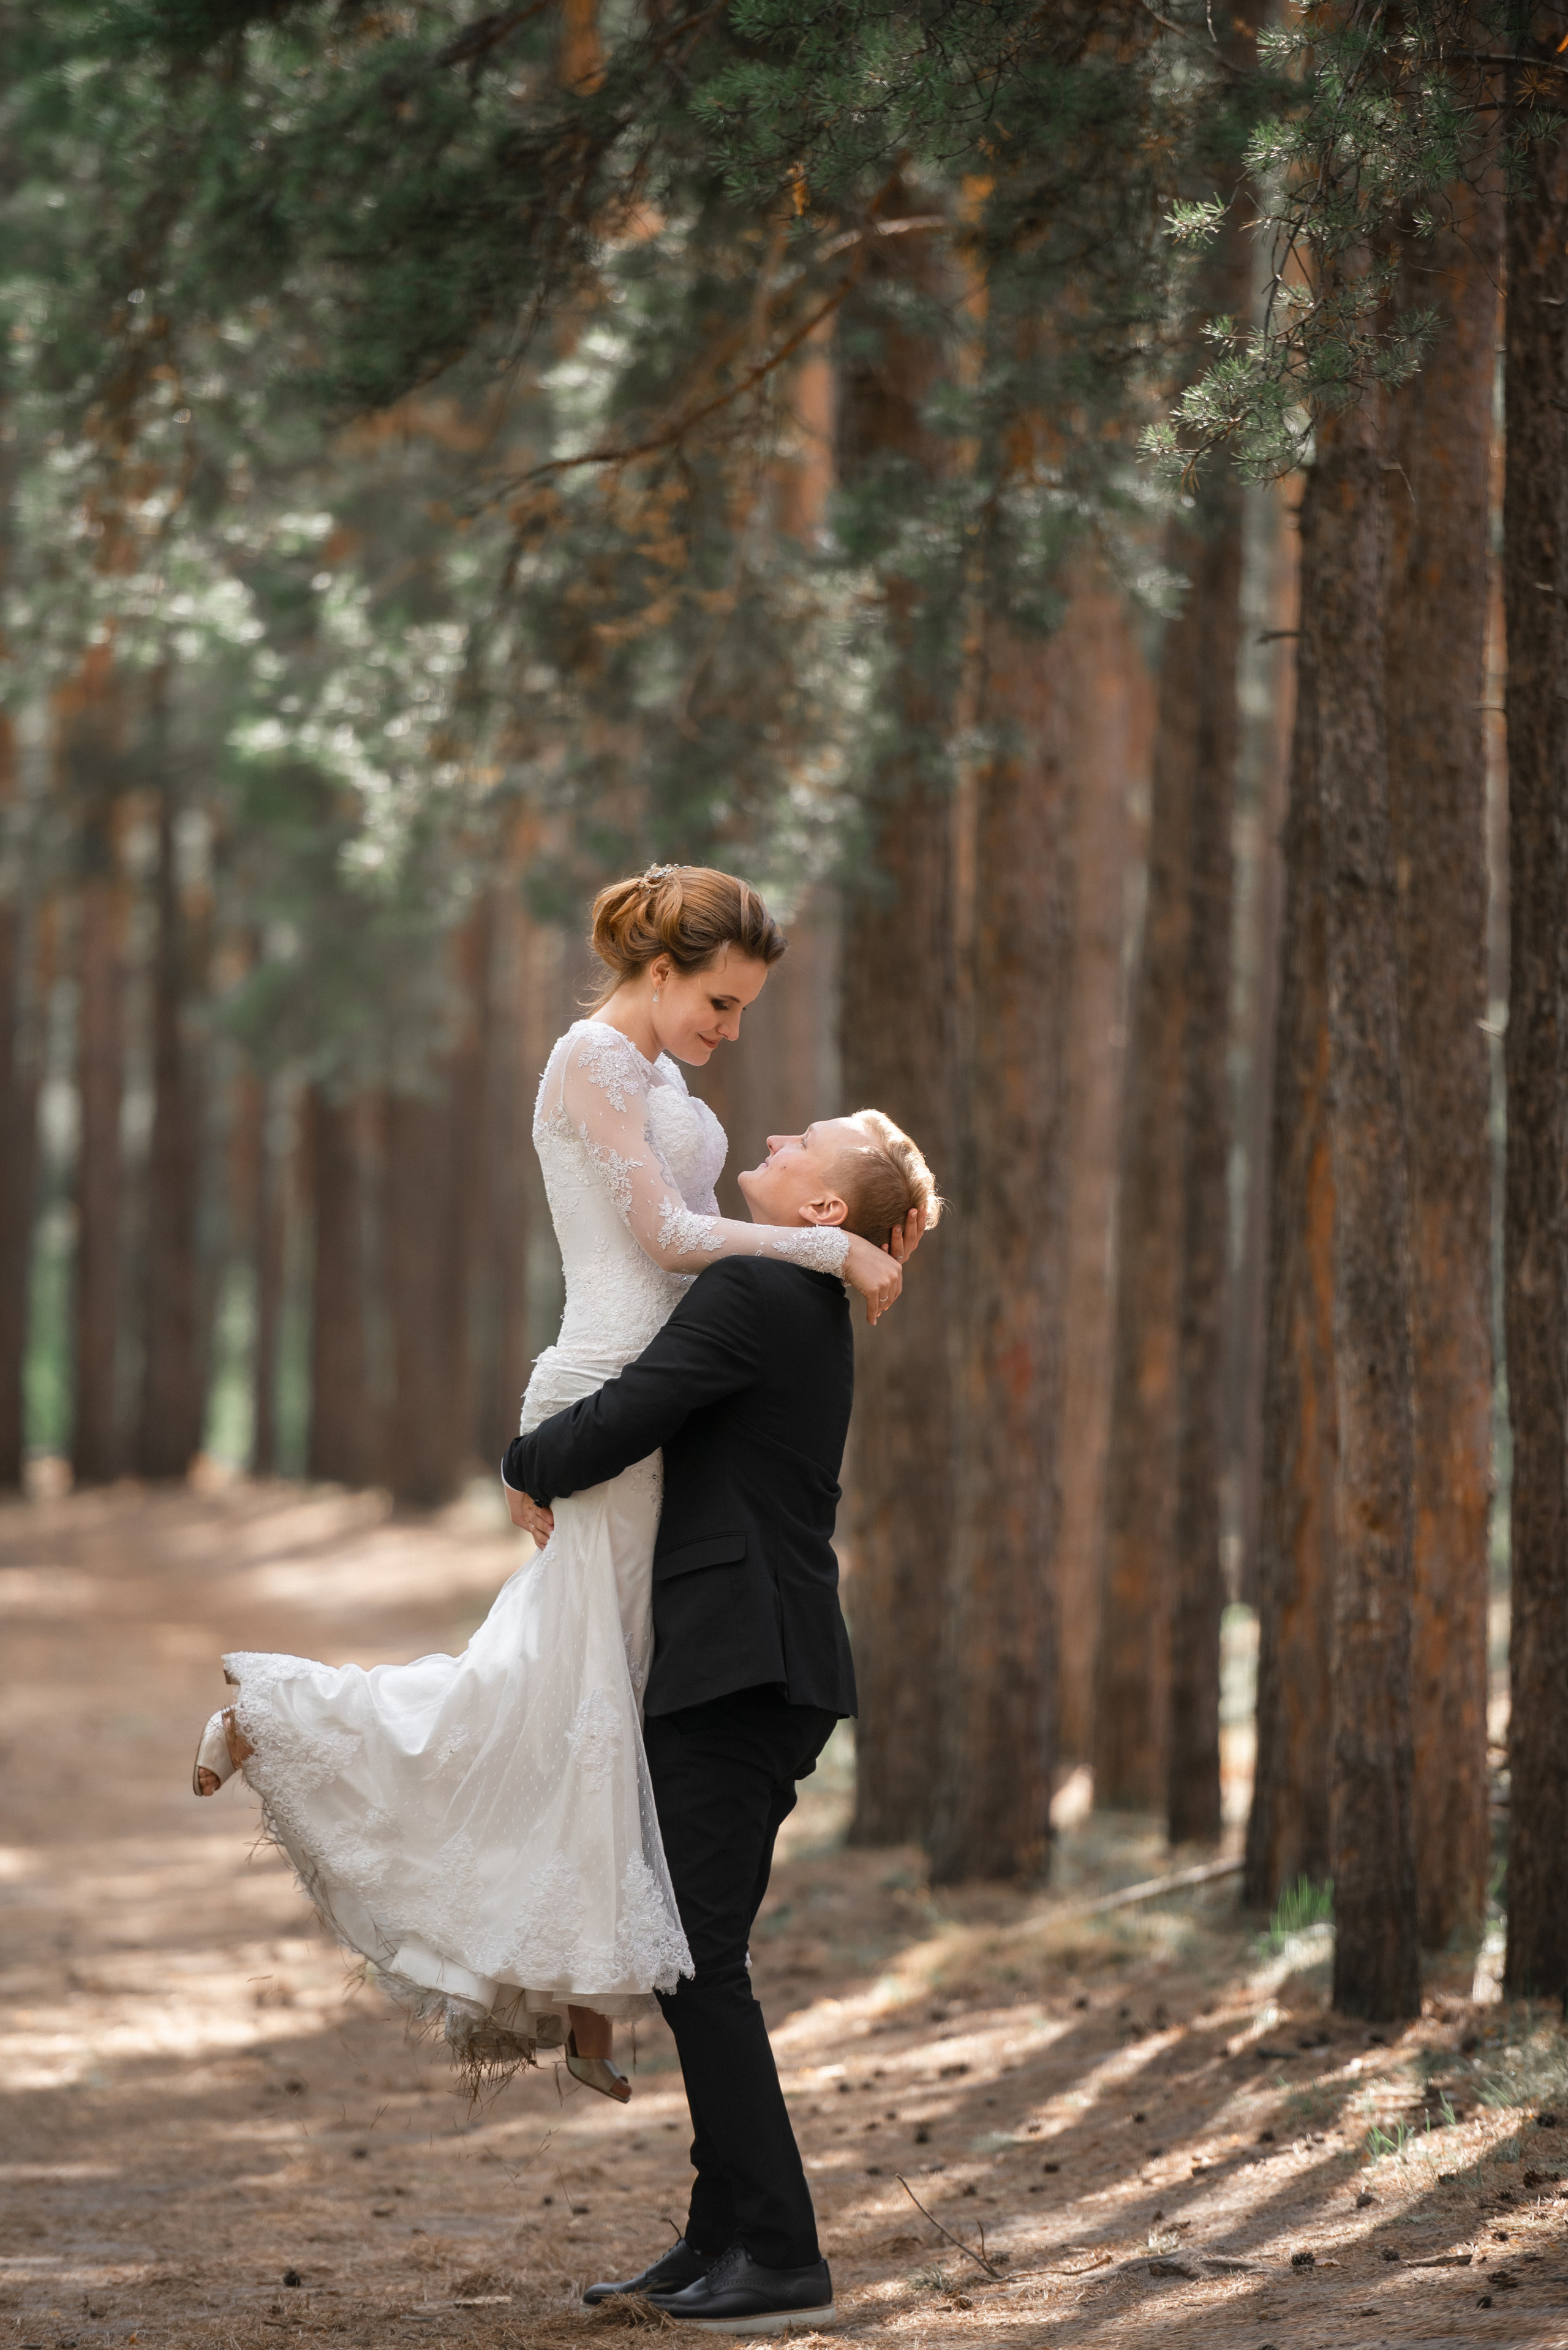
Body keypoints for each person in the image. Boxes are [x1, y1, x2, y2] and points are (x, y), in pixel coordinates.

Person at [188, 865, 914, 2098]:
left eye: (741, 1011)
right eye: (720, 1003)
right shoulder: (590, 1058)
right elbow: (667, 1243)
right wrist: (824, 1244)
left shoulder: (664, 1080)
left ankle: (569, 1981)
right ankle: (288, 1719)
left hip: (665, 1390)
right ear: (660, 970)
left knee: (603, 1686)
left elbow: (696, 1257)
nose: (729, 1033)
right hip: (603, 1391)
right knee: (560, 1679)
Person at [503, 1108, 943, 2334]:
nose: (782, 1127)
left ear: (819, 1212)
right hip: (760, 1662)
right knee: (706, 1954)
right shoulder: (790, 1293)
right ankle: (717, 2239)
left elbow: (641, 1406)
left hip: (738, 1666)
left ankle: (784, 2254)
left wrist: (523, 1456)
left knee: (698, 1961)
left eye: (812, 1135)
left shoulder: (758, 1293)